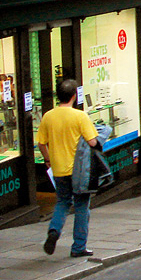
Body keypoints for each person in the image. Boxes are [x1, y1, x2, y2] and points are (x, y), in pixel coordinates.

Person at [38, 79, 99, 258]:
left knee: (62, 202)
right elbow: (93, 142)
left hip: (58, 170)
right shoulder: (80, 116)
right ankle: (78, 247)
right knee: (81, 207)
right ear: (74, 96)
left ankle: (54, 230)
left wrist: (48, 159)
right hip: (79, 171)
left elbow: (41, 143)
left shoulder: (48, 116)